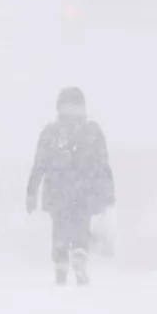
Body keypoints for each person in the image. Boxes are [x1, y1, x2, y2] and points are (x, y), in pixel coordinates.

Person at [26, 87, 115, 285]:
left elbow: (39, 165)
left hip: (57, 190)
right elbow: (103, 164)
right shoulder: (92, 131)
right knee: (81, 224)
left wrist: (31, 192)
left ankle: (61, 261)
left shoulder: (50, 133)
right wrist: (109, 193)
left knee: (60, 227)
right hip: (85, 188)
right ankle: (79, 255)